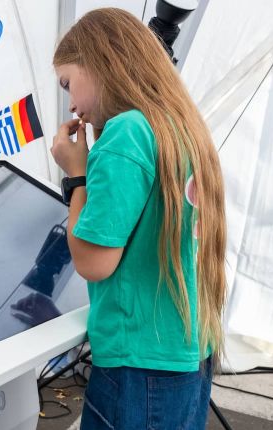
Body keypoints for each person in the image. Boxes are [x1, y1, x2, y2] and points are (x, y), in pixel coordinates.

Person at [49, 8, 227, 429]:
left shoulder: (125, 133)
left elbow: (94, 262)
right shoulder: (181, 126)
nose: (71, 104)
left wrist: (76, 175)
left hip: (139, 365)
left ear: (99, 62)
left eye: (68, 83)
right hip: (188, 351)